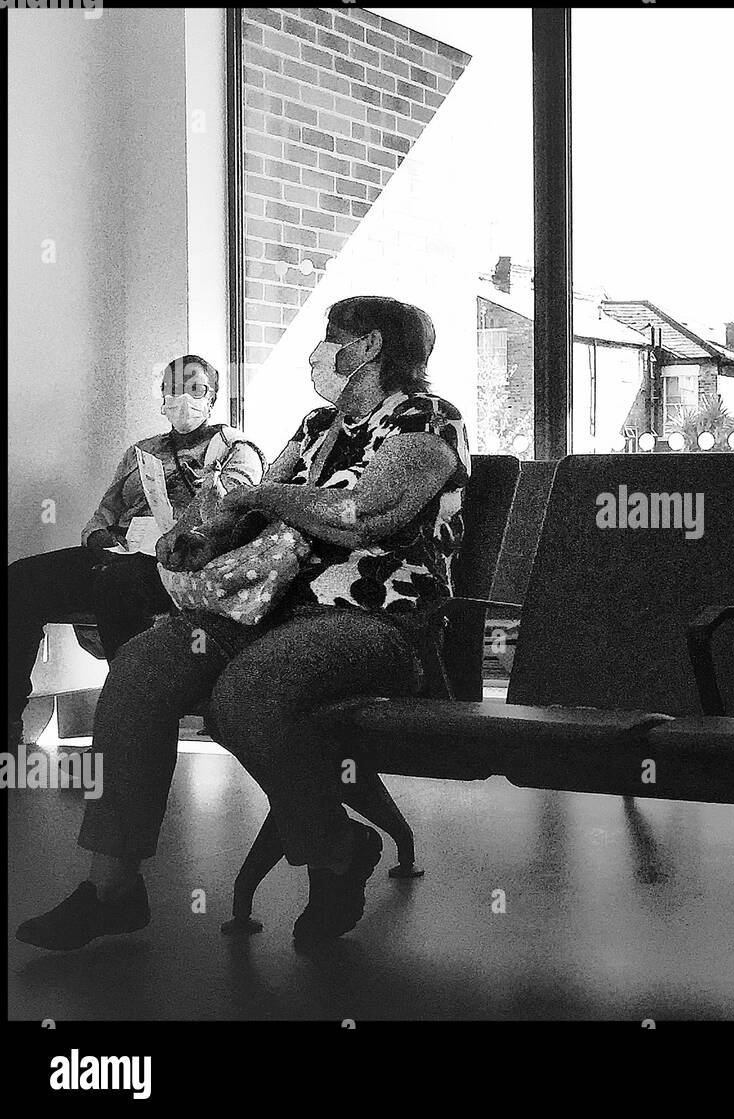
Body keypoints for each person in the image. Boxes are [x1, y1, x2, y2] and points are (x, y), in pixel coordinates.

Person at [15, 296, 471, 952]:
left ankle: (337, 850)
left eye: (331, 336)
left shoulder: (430, 423)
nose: (320, 350)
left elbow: (365, 510)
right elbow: (240, 509)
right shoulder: (317, 426)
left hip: (380, 621)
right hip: (270, 608)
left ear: (368, 345)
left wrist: (258, 496)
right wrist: (201, 530)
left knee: (248, 694)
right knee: (141, 666)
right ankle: (112, 888)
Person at [7, 356, 264, 748]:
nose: (183, 397)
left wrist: (199, 492)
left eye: (195, 388)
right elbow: (105, 511)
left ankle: (124, 728)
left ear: (212, 397)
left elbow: (228, 513)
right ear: (161, 396)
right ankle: (9, 722)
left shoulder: (237, 450)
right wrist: (99, 540)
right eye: (173, 388)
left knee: (116, 585)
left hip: (180, 561)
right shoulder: (141, 452)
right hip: (119, 550)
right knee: (20, 579)